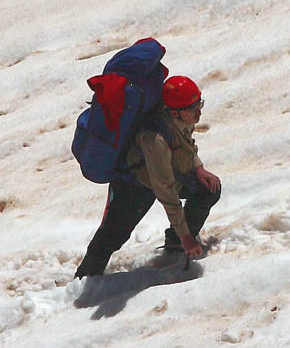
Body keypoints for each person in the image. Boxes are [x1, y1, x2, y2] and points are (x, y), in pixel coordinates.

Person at [74, 75, 221, 277]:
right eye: (191, 108)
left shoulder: (182, 117)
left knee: (208, 189)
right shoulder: (155, 141)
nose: (198, 112)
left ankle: (176, 245)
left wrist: (198, 168)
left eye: (199, 104)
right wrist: (186, 235)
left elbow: (186, 144)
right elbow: (166, 191)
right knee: (112, 236)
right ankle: (85, 278)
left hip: (162, 174)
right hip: (134, 185)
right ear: (175, 111)